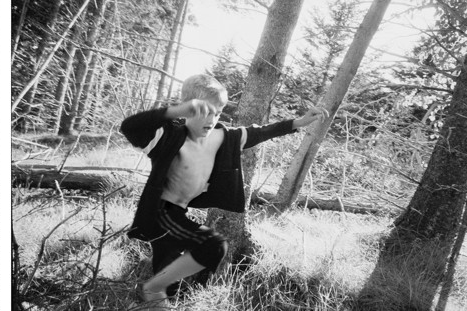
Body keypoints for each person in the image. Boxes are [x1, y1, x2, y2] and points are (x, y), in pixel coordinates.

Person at [119, 74, 327, 308]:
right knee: (213, 246)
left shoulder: (224, 137)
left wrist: (296, 123)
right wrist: (174, 111)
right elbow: (129, 127)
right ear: (188, 109)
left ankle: (152, 299)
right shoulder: (165, 136)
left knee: (169, 280)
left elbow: (260, 132)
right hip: (160, 213)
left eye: (217, 112)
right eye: (205, 111)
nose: (212, 119)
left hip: (178, 212)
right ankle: (152, 288)